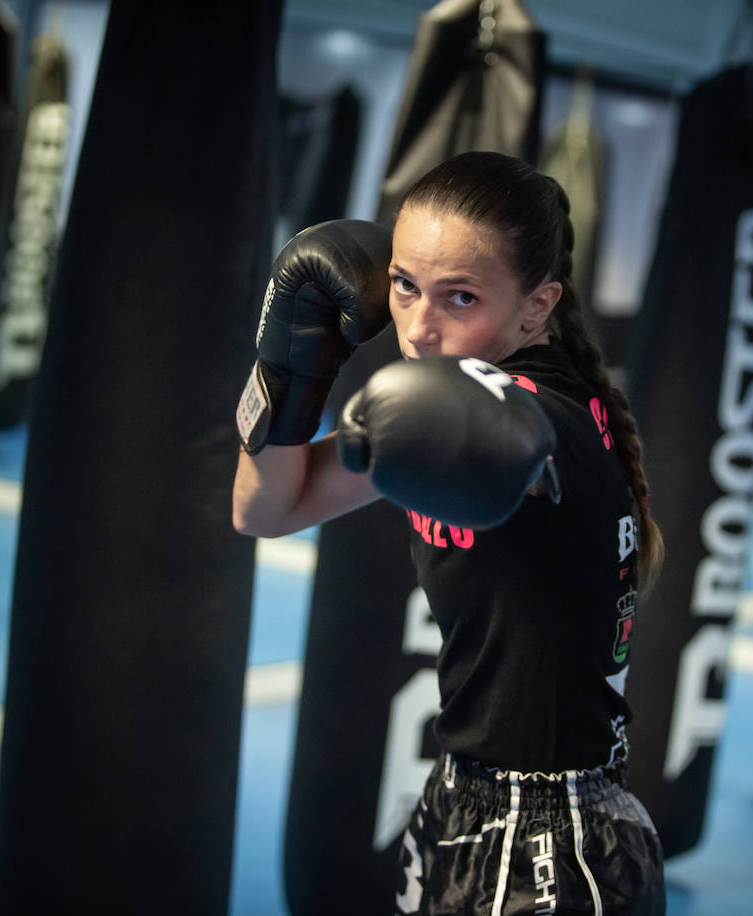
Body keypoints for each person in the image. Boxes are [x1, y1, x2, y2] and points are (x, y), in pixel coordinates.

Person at [233, 150, 665, 915]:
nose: (419, 329)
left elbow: (528, 433)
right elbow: (266, 510)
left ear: (537, 306)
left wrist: (515, 440)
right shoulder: (437, 414)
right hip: (463, 796)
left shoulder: (533, 418)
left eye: (460, 298)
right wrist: (287, 364)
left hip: (554, 851)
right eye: (403, 286)